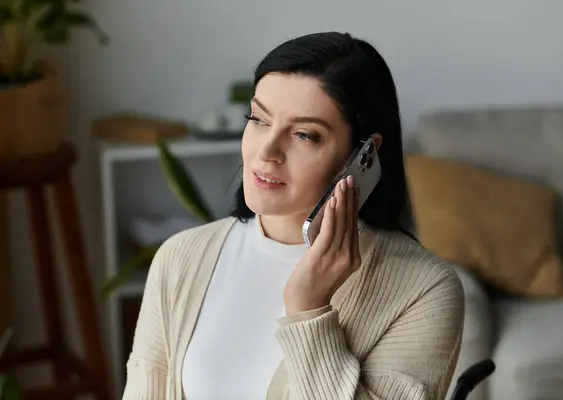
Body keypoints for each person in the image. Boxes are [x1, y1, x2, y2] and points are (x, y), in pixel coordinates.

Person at [123, 32, 465, 400]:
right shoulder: (180, 258)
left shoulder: (424, 290)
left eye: (304, 135)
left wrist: (308, 310)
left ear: (365, 152)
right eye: (258, 119)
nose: (267, 151)